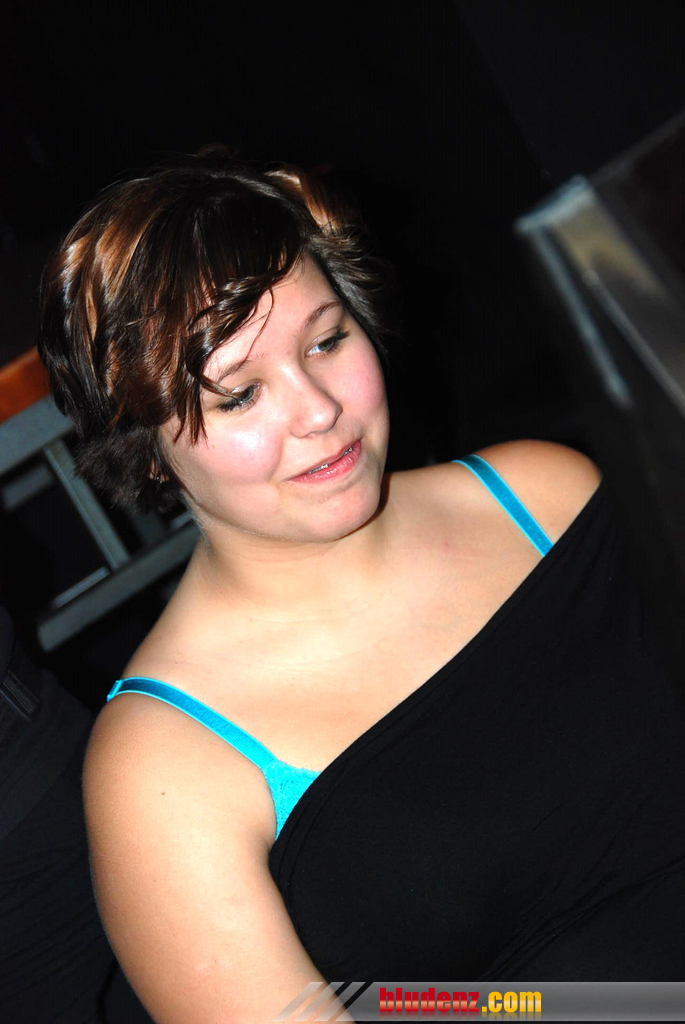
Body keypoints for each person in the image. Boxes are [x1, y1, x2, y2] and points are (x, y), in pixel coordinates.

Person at [38, 147, 685, 1022]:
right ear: (145, 447)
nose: (318, 410)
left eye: (326, 341)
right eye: (237, 396)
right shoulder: (164, 767)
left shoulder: (543, 496)